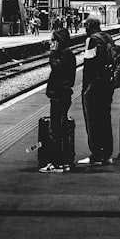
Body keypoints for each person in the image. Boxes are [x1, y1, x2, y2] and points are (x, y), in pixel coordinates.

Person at [78, 17, 113, 166]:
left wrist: (85, 88)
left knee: (93, 120)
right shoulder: (107, 37)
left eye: (86, 25)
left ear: (89, 26)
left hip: (95, 86)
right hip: (108, 85)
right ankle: (107, 154)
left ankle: (96, 154)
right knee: (105, 118)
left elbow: (89, 66)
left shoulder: (91, 40)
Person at [41, 24, 76, 173]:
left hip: (60, 95)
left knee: (56, 130)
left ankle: (57, 163)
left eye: (52, 40)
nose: (50, 43)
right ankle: (63, 162)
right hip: (62, 94)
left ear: (59, 41)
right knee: (59, 128)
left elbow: (57, 68)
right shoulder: (67, 53)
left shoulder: (64, 54)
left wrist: (52, 54)